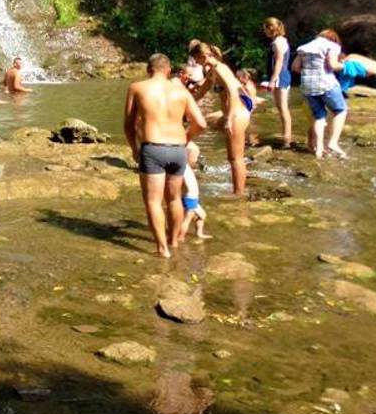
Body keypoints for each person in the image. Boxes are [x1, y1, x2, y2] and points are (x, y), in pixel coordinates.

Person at [124, 53, 206, 258]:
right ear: (169, 70)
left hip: (153, 148)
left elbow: (128, 125)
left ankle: (162, 249)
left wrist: (135, 149)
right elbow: (201, 124)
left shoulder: (137, 88)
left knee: (153, 201)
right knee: (174, 199)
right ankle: (175, 242)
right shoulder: (181, 92)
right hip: (178, 149)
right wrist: (186, 139)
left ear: (148, 70)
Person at [190, 42, 249, 196]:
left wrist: (228, 118)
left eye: (196, 60)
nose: (196, 63)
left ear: (202, 56)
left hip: (236, 113)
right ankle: (236, 188)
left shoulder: (220, 68)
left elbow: (233, 92)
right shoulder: (211, 72)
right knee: (207, 123)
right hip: (231, 113)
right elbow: (200, 94)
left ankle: (238, 194)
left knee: (235, 158)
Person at [292, 28, 348, 159]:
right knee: (341, 110)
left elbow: (295, 67)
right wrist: (344, 66)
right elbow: (332, 65)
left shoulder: (303, 48)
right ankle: (333, 142)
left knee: (319, 116)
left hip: (307, 85)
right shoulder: (332, 46)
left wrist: (309, 73)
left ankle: (319, 149)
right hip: (326, 83)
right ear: (333, 38)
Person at [260, 17, 294, 148]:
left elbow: (279, 61)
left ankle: (286, 140)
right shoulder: (280, 41)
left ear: (271, 28)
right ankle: (286, 137)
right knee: (281, 108)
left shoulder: (277, 43)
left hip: (280, 77)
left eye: (265, 29)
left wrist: (272, 80)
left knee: (283, 108)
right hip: (283, 76)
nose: (264, 32)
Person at [177, 141, 211, 242]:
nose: (197, 159)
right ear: (187, 155)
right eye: (195, 156)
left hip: (191, 198)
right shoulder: (183, 167)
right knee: (187, 220)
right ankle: (180, 237)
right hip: (189, 198)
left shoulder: (186, 166)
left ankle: (199, 233)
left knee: (202, 215)